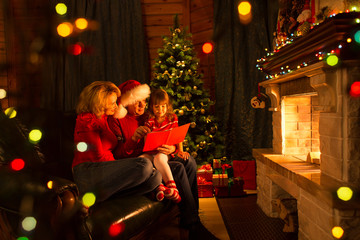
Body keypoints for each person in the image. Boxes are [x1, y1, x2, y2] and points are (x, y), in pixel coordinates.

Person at [108, 80, 218, 239]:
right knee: (179, 169)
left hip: (159, 155)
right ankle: (193, 225)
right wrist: (132, 139)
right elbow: (118, 155)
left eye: (144, 101)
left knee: (189, 162)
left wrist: (173, 149)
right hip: (141, 163)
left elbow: (164, 135)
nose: (142, 106)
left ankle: (193, 218)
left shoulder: (148, 115)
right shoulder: (117, 119)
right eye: (136, 102)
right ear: (127, 102)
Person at [71, 81, 162, 203]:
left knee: (155, 178)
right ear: (100, 104)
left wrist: (122, 167)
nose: (116, 106)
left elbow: (113, 154)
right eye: (113, 103)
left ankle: (104, 196)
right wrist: (123, 167)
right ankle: (91, 196)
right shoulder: (87, 121)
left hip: (104, 170)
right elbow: (98, 157)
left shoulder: (104, 118)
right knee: (144, 165)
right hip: (88, 171)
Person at [142, 89, 190, 203]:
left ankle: (173, 187)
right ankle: (158, 187)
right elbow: (146, 141)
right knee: (141, 161)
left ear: (167, 106)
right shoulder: (150, 121)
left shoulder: (172, 118)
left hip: (164, 153)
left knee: (159, 158)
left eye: (163, 106)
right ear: (151, 107)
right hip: (152, 152)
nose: (160, 110)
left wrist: (180, 150)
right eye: (157, 106)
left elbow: (178, 137)